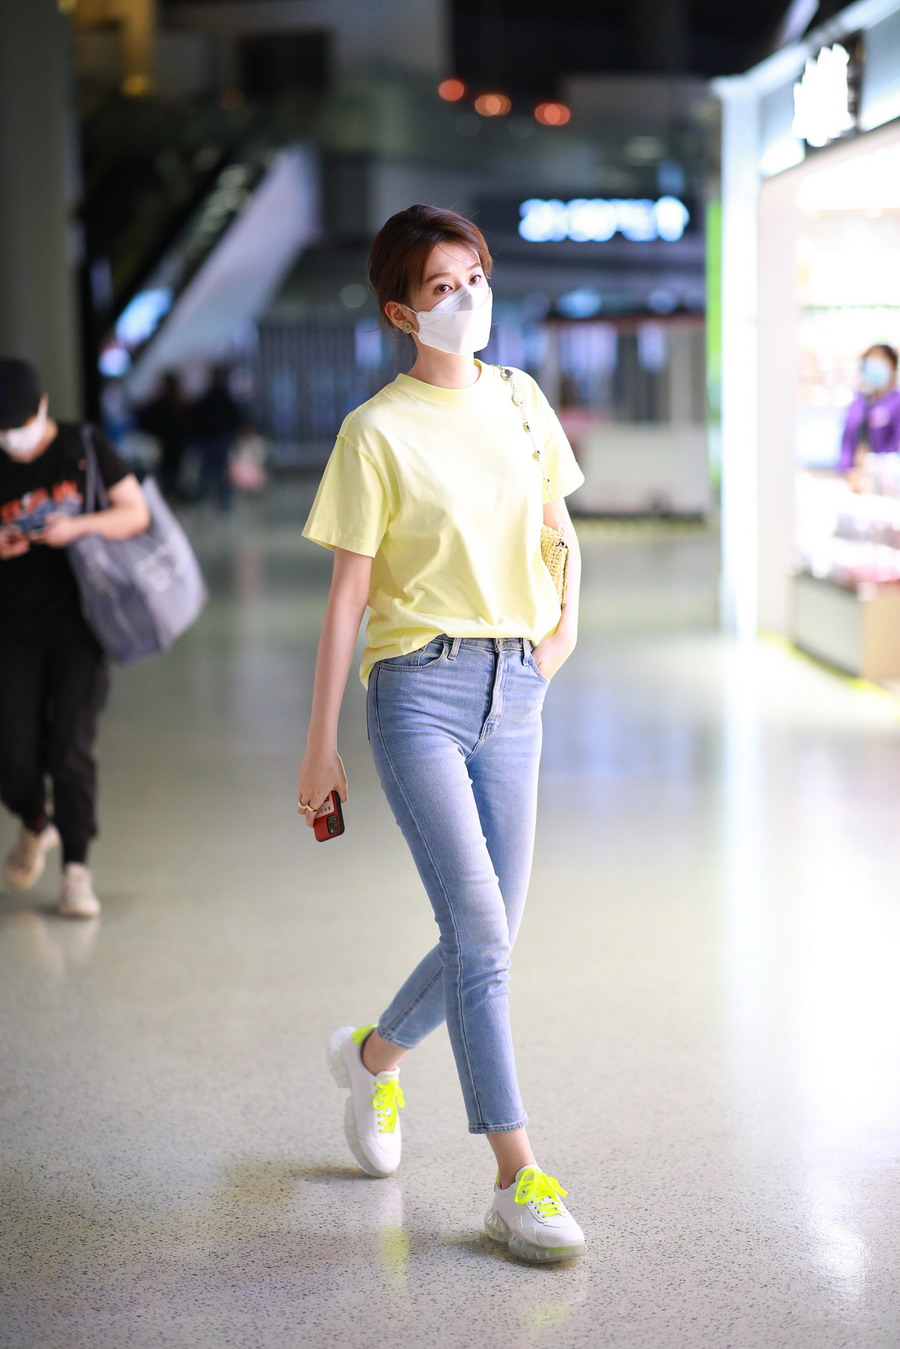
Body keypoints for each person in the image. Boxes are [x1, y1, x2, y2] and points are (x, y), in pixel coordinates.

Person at [297, 205, 587, 1263]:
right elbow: (346, 596)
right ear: (400, 312)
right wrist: (320, 743)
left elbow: (559, 528)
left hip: (518, 687)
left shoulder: (521, 398)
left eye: (476, 277)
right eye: (441, 286)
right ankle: (518, 1176)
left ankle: (373, 1056)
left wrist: (561, 633)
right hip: (417, 690)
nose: (468, 298)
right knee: (480, 933)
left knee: (490, 932)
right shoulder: (374, 431)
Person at [0, 358, 150, 917]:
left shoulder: (81, 447)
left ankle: (76, 872)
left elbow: (134, 513)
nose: (11, 438)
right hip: (11, 630)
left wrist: (77, 527)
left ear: (42, 408)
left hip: (80, 625)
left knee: (69, 751)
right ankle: (35, 823)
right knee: (13, 759)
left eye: (18, 425)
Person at [838, 344, 900, 489]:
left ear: (892, 365)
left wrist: (879, 472)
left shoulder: (896, 402)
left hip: (889, 482)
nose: (875, 365)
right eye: (871, 360)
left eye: (880, 359)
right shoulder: (859, 403)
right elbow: (847, 442)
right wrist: (848, 471)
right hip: (857, 481)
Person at [190, 365, 246, 512]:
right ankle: (210, 500)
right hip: (213, 440)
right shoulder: (218, 398)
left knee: (215, 473)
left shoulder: (221, 398)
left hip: (217, 440)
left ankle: (213, 501)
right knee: (212, 472)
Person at [135, 370, 190, 500]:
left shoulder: (171, 404)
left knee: (168, 474)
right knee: (169, 474)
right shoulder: (178, 404)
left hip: (169, 445)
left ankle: (168, 496)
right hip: (171, 445)